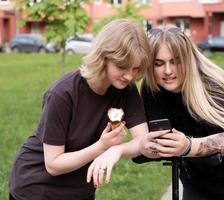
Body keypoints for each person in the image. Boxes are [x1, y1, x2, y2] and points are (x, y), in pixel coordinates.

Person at [8, 19, 150, 200]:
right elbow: (53, 164)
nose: (130, 75)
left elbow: (143, 141)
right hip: (37, 188)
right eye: (122, 67)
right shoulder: (63, 93)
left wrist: (117, 150)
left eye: (136, 68)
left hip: (80, 191)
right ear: (103, 57)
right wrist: (101, 146)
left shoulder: (126, 90)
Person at [139, 25, 224, 200]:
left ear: (189, 59)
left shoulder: (212, 84)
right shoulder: (151, 91)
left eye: (176, 61)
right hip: (199, 182)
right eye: (159, 63)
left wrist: (188, 146)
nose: (168, 71)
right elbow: (157, 139)